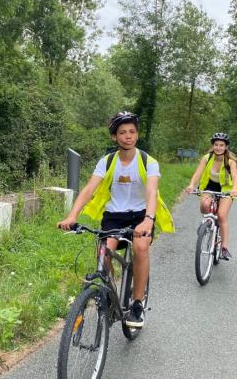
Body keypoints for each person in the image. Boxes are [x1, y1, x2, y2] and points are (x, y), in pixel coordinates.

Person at [58, 111, 174, 328]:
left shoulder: (149, 161)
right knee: (103, 252)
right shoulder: (108, 161)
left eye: (132, 132)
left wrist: (148, 220)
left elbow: (151, 192)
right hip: (114, 216)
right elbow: (89, 189)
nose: (128, 136)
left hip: (140, 215)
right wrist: (72, 215)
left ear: (137, 135)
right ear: (114, 137)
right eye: (122, 132)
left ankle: (137, 303)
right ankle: (109, 294)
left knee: (140, 248)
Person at [185, 132, 237, 261]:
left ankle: (224, 248)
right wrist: (192, 185)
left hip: (226, 189)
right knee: (205, 205)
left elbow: (235, 177)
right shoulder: (207, 157)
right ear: (213, 146)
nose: (218, 147)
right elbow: (198, 173)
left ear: (226, 147)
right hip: (209, 187)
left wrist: (234, 189)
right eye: (216, 145)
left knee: (221, 215)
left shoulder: (230, 161)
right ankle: (206, 221)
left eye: (222, 145)